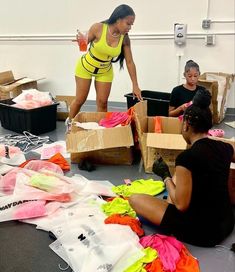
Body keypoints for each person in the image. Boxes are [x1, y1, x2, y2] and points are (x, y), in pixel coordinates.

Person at [129, 88, 235, 247]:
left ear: (186, 125)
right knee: (179, 178)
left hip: (204, 232)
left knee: (135, 199)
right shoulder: (226, 148)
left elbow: (181, 205)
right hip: (226, 222)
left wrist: (165, 176)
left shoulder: (186, 158)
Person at [67, 4, 142, 129]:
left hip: (105, 71)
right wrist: (80, 40)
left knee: (102, 103)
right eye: (128, 24)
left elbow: (130, 62)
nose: (130, 28)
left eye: (131, 25)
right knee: (80, 99)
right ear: (118, 19)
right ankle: (69, 125)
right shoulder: (98, 28)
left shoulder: (125, 39)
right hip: (85, 67)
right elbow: (84, 44)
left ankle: (101, 131)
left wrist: (135, 85)